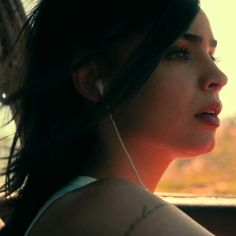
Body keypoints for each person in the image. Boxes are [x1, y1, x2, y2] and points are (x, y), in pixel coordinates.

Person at [0, 0, 227, 235]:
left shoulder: (80, 207)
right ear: (91, 80)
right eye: (179, 53)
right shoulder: (110, 204)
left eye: (212, 55)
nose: (218, 77)